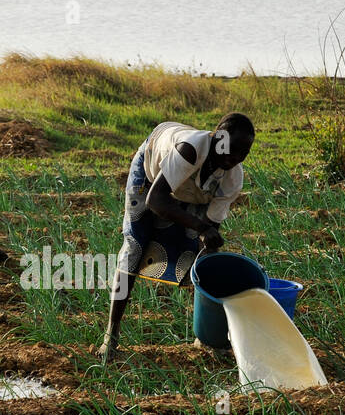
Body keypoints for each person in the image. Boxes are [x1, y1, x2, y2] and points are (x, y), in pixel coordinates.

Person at [99, 112, 255, 361]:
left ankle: (205, 338)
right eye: (231, 149)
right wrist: (203, 228)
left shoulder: (233, 178)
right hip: (152, 174)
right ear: (217, 137)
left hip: (191, 191)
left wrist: (208, 242)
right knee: (135, 249)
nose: (235, 158)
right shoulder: (190, 150)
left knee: (198, 258)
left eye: (243, 154)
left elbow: (209, 231)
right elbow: (156, 200)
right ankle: (112, 335)